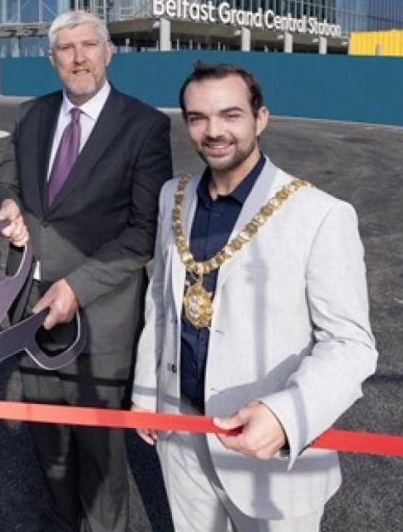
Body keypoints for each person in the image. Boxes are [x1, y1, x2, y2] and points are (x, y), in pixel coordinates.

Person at [131, 62, 377, 531]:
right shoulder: (172, 196)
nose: (214, 131)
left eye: (230, 115)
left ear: (260, 118)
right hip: (181, 430)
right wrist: (147, 394)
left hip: (271, 451)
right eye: (198, 118)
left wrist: (284, 417)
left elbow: (350, 344)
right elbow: (160, 304)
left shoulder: (321, 214)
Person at [0, 10, 173, 531]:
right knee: (51, 453)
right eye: (65, 49)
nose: (78, 57)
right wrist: (6, 208)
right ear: (52, 60)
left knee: (101, 463)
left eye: (88, 45)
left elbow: (144, 229)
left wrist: (77, 287)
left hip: (100, 322)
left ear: (108, 51)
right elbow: (3, 184)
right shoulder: (31, 115)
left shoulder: (144, 126)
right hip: (31, 316)